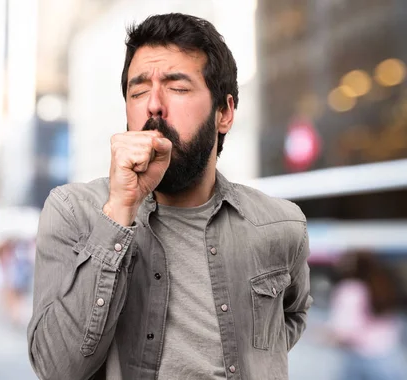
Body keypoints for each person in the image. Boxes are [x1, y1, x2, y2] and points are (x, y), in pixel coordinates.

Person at [28, 13, 312, 380]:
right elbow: (56, 369)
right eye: (138, 90)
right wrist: (119, 211)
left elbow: (292, 316)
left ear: (224, 113)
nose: (153, 106)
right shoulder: (73, 212)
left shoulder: (281, 224)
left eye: (177, 88)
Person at [327, 251, 407, 380]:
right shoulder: (383, 284)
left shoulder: (349, 289)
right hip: (388, 355)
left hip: (360, 357)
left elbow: (344, 331)